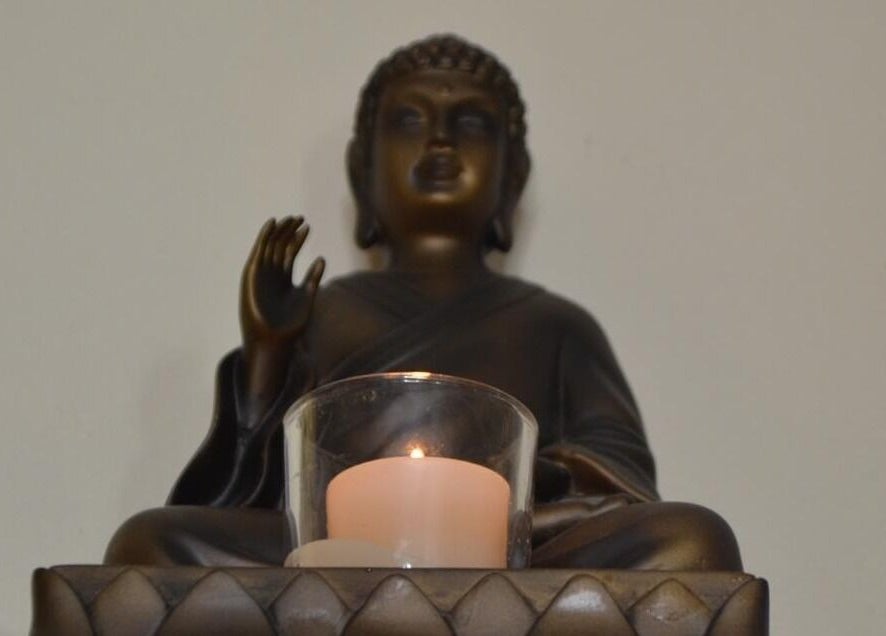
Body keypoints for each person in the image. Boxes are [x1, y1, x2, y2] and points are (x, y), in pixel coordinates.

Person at [106, 34, 742, 571]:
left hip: (512, 551)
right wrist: (267, 360)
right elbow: (251, 500)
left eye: (470, 124)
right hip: (337, 558)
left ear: (511, 177)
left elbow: (620, 473)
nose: (440, 141)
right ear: (363, 172)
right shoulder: (321, 314)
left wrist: (506, 489)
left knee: (694, 542)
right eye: (409, 121)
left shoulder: (557, 325)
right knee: (150, 544)